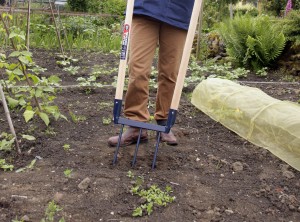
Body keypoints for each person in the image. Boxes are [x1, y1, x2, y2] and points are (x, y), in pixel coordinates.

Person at [108, 0, 194, 147]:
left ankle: (164, 123)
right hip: (145, 8)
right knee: (137, 68)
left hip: (178, 11)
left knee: (170, 73)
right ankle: (136, 125)